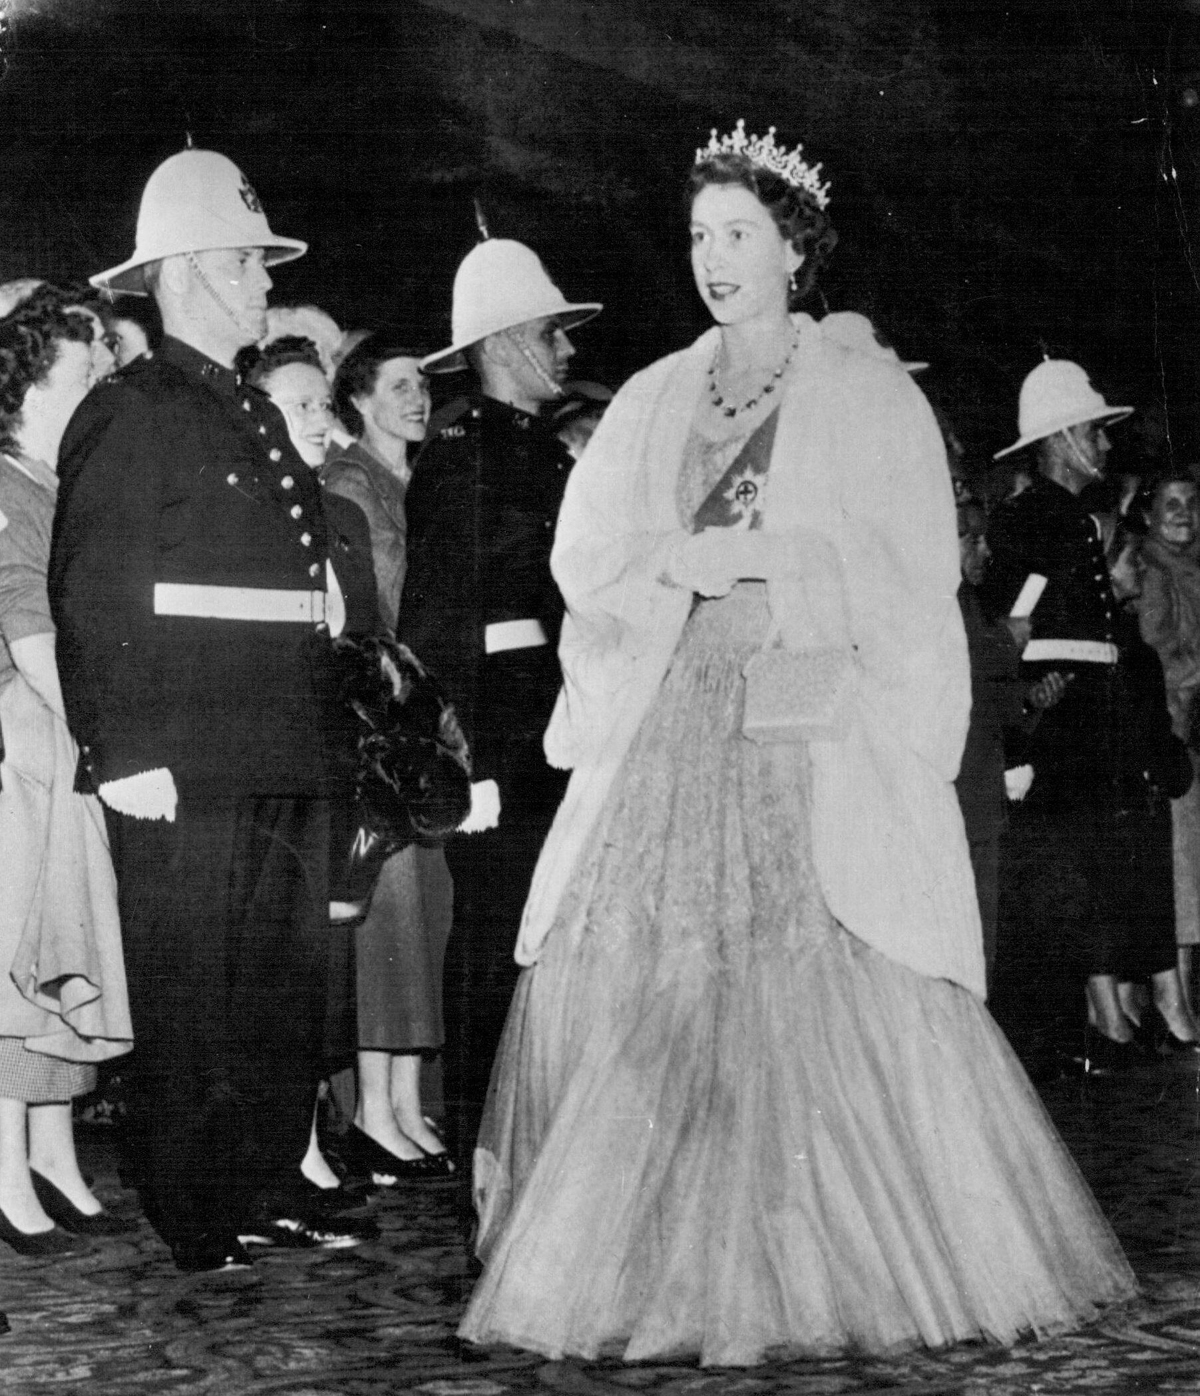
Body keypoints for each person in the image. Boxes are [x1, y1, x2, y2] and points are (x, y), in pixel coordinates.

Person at [456, 121, 1137, 1365]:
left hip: (811, 708)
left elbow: (911, 572)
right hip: (681, 707)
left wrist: (790, 560)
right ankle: (659, 1254)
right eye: (701, 236)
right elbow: (587, 554)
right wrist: (682, 558)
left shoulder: (867, 394)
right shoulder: (657, 395)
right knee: (663, 974)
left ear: (794, 247)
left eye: (740, 234)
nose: (716, 258)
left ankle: (817, 1245)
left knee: (817, 963)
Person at [49, 148, 373, 1272]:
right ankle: (197, 1204)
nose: (262, 281)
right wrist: (122, 745)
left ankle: (267, 1179)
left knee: (278, 988)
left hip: (283, 741)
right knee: (196, 988)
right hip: (185, 752)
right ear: (185, 269)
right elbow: (93, 587)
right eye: (244, 260)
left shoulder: (247, 408)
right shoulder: (130, 409)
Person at [399, 238, 600, 1154]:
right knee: (493, 939)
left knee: (549, 937)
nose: (565, 353)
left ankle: (540, 1128)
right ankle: (487, 1137)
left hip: (554, 733)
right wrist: (465, 760)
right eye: (552, 335)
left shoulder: (541, 455)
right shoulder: (459, 455)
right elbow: (440, 618)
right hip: (503, 744)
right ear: (511, 340)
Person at [984, 361, 1199, 1074]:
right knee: (1078, 870)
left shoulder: (1073, 517)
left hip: (1103, 708)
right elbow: (1011, 618)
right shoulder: (1028, 518)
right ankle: (1099, 1027)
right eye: (1094, 436)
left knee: (1115, 863)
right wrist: (1025, 704)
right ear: (1064, 438)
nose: (1105, 450)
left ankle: (1116, 1023)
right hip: (1066, 714)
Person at [0, 282, 134, 1268]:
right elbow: (28, 626)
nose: (97, 391)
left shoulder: (58, 483)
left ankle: (53, 1154)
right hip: (28, 741)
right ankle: (5, 1169)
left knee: (68, 949)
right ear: (28, 386)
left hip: (63, 743)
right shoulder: (7, 485)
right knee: (22, 958)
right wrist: (93, 733)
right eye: (82, 374)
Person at [325, 332, 456, 1179]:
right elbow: (374, 616)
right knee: (392, 911)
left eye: (423, 384)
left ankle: (408, 1102)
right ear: (361, 399)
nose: (418, 397)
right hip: (385, 714)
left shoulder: (421, 481)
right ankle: (374, 1112)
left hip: (428, 718)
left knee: (425, 909)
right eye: (400, 385)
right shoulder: (351, 485)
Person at [953, 493, 1066, 988]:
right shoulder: (938, 603)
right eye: (972, 538)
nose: (986, 551)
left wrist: (1029, 700)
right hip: (956, 791)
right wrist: (1005, 640)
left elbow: (978, 697)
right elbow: (951, 668)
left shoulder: (968, 600)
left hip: (980, 790)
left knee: (983, 935)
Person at [1136, 470, 1200, 1011]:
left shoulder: (1191, 567)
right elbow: (1154, 656)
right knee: (1181, 872)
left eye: (1190, 503)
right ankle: (1173, 1001)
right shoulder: (1153, 571)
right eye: (1170, 504)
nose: (1182, 513)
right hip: (1176, 735)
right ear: (1150, 516)